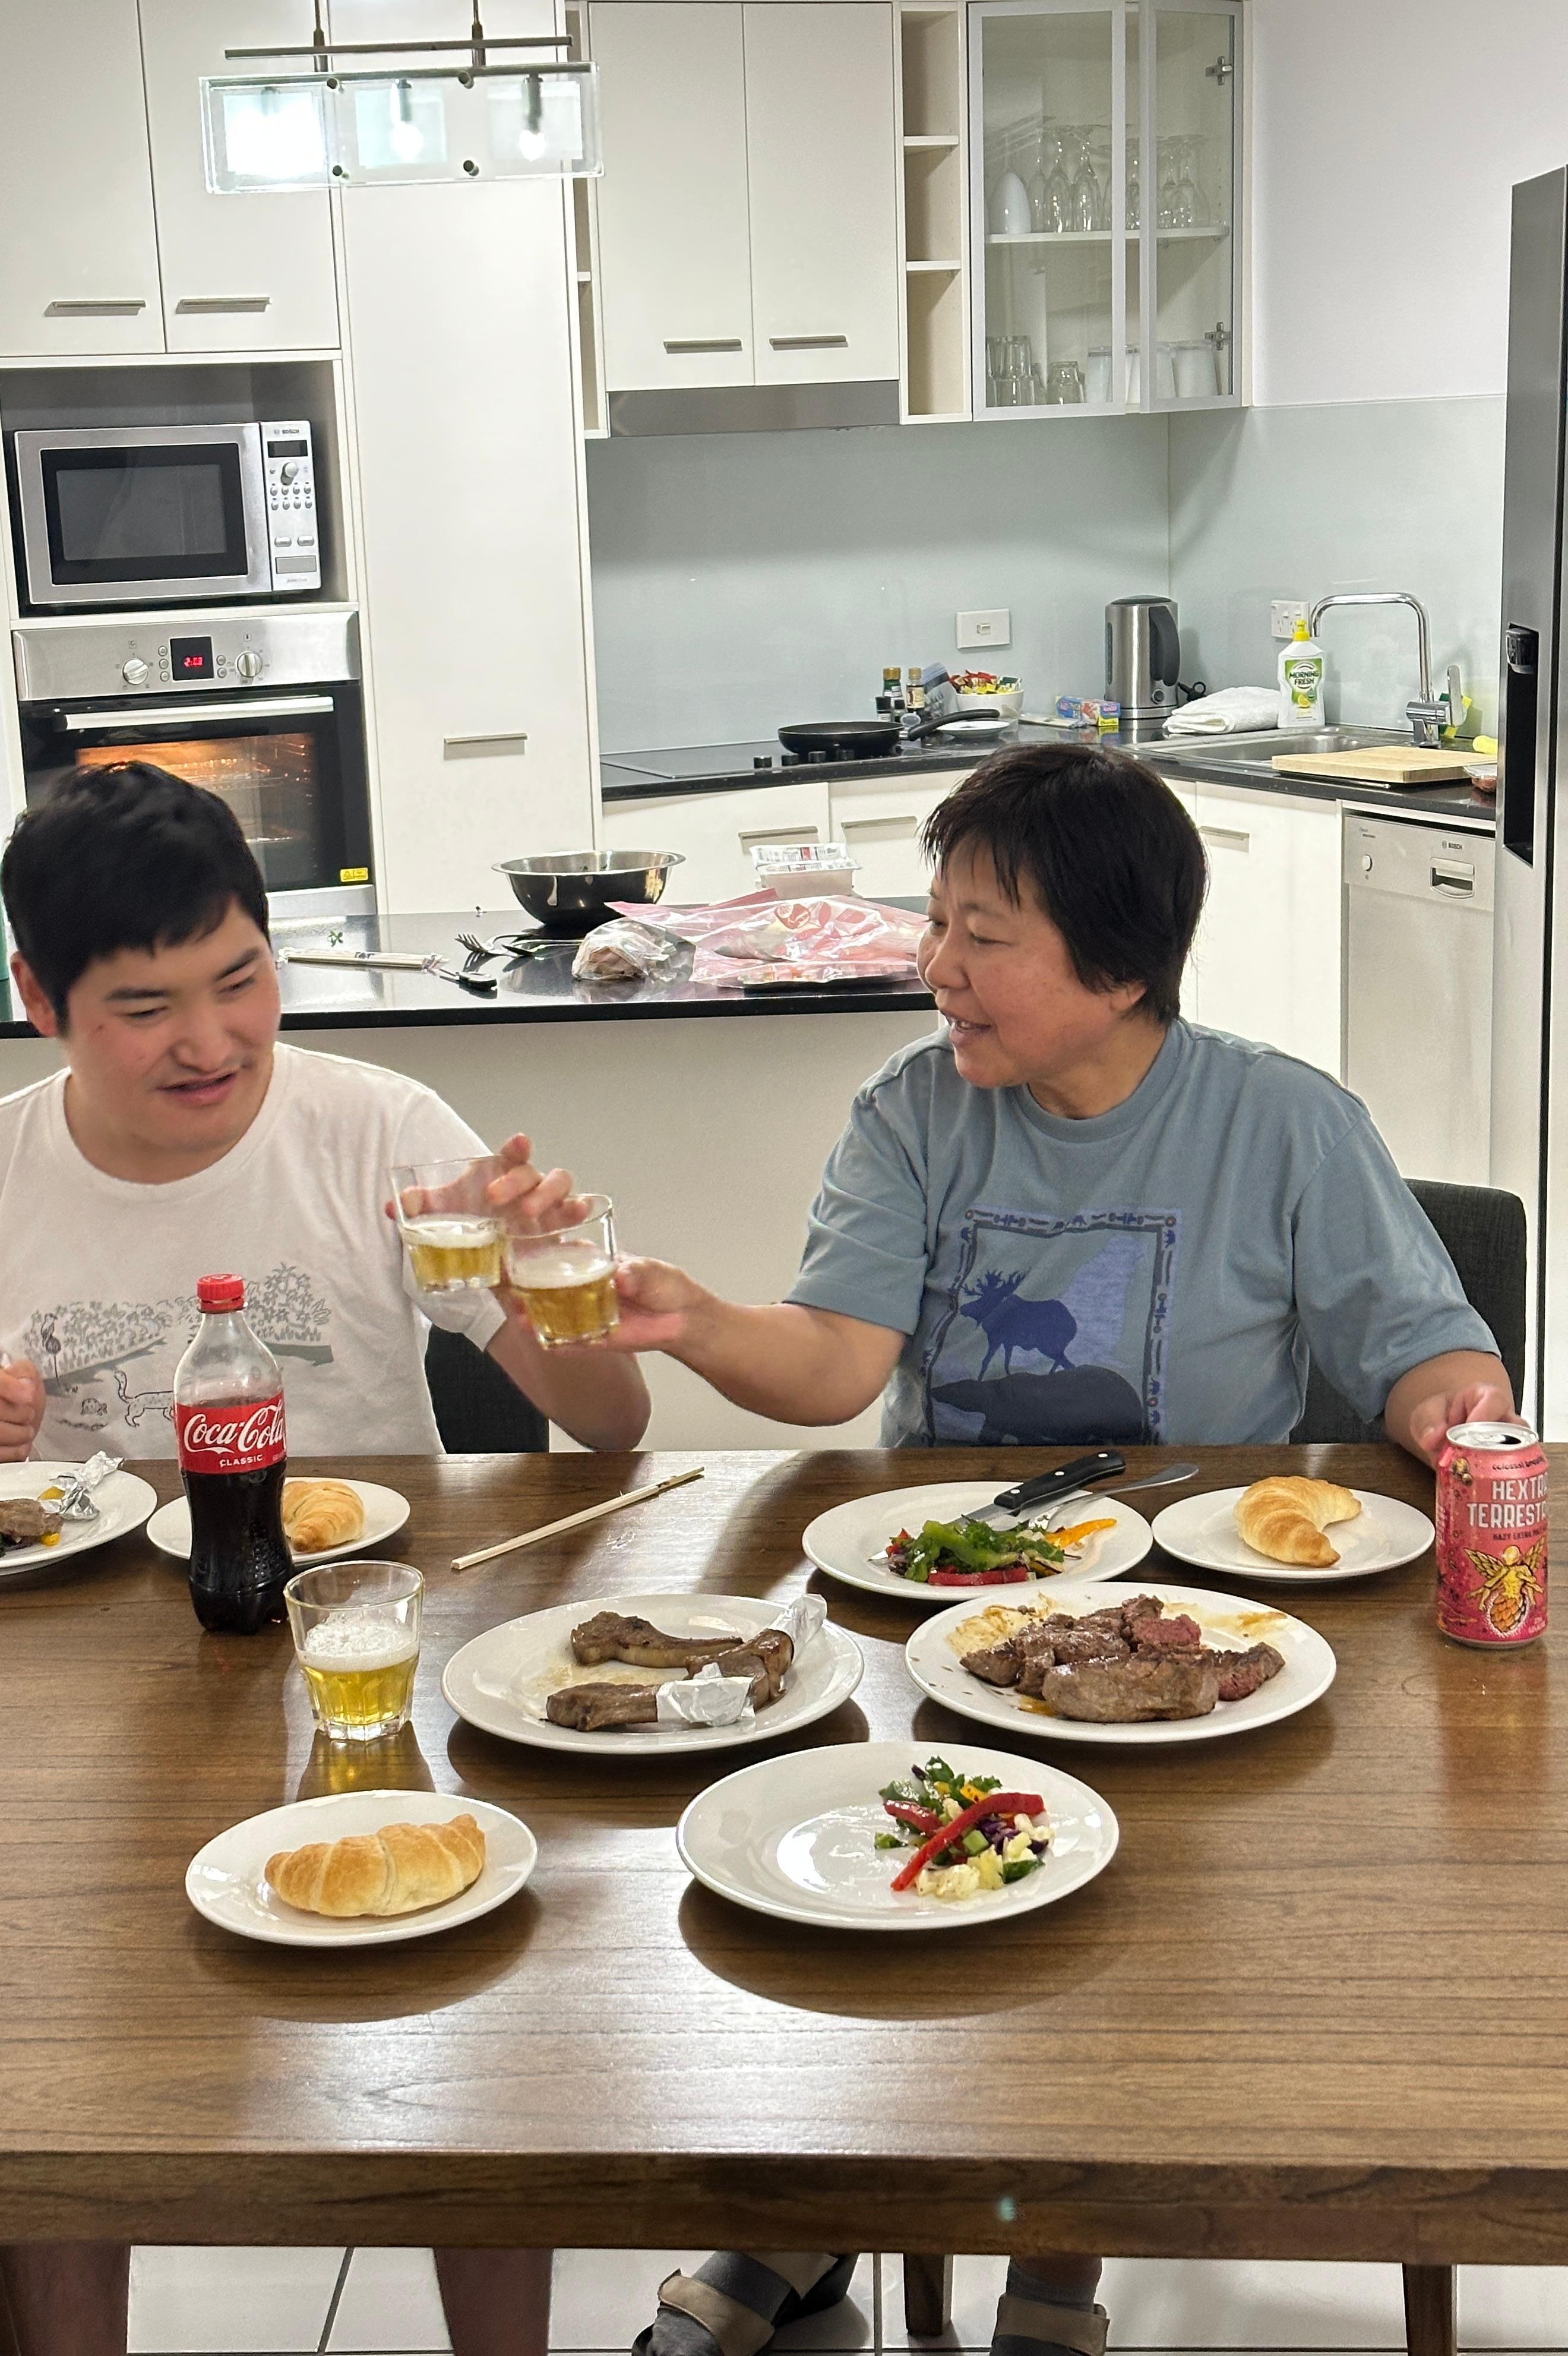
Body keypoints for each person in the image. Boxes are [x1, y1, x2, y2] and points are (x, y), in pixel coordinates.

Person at [605, 742, 1516, 2356]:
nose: (932, 966)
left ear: (1113, 964)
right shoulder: (913, 1113)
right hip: (930, 1612)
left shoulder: (1286, 1125)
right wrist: (693, 1325)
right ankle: (802, 2217)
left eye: (981, 934)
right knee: (833, 1881)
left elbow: (1425, 1360)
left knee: (1125, 1939)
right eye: (934, 921)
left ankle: (1054, 2267)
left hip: (1184, 1631)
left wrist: (1458, 1416)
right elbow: (831, 1363)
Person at [0, 762, 645, 2356]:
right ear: (38, 999)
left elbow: (609, 1428)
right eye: (146, 1007)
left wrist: (562, 1285)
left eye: (242, 980)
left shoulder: (381, 1129)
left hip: (363, 1651)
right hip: (80, 1691)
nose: (212, 1041)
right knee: (48, 2077)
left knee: (468, 2045)